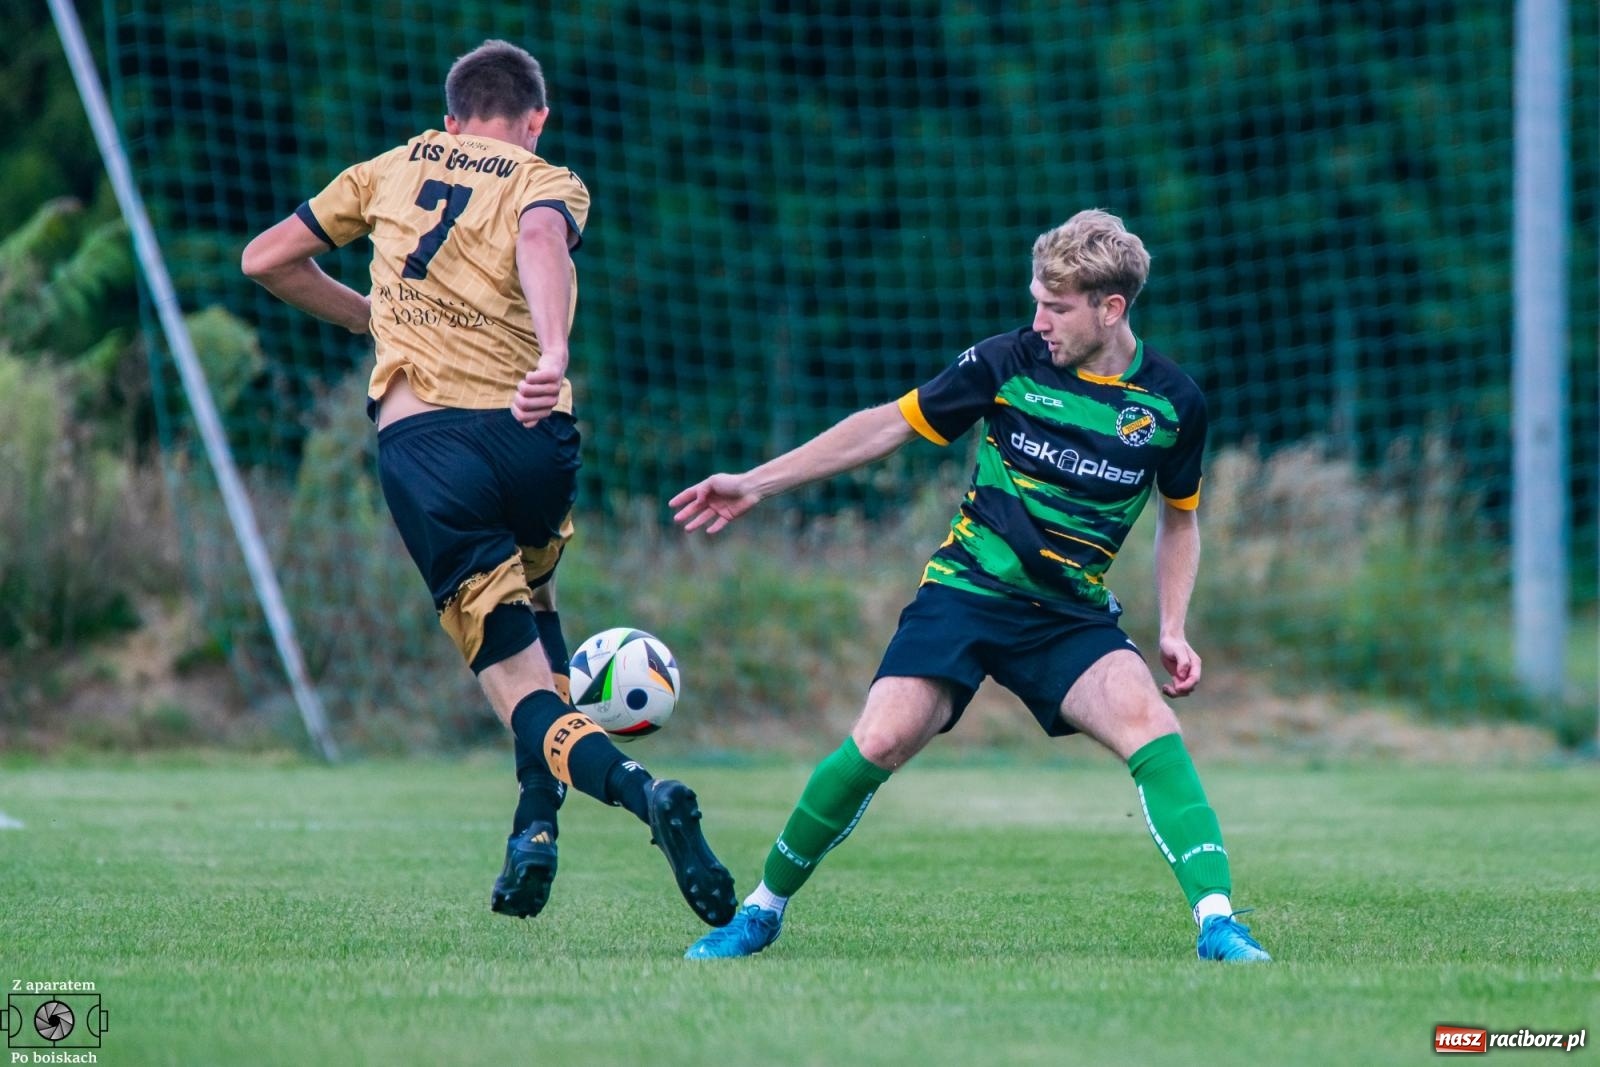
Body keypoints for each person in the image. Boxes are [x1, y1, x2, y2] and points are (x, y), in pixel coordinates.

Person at [671, 209, 1270, 963]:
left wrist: (1174, 626)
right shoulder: (1005, 363)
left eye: (1056, 306)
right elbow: (884, 426)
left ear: (1110, 308)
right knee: (881, 737)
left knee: (1153, 729)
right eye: (1036, 300)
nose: (1039, 319)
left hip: (1066, 614)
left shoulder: (1173, 405)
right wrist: (755, 483)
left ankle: (1219, 924)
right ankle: (760, 911)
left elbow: (1179, 522)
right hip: (968, 588)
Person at [241, 39, 736, 929]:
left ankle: (644, 793)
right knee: (537, 594)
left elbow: (265, 260)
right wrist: (552, 353)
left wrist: (373, 320)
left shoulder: (387, 168)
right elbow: (544, 237)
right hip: (532, 439)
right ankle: (533, 826)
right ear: (534, 120)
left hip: (430, 452)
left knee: (518, 687)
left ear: (451, 116)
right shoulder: (547, 175)